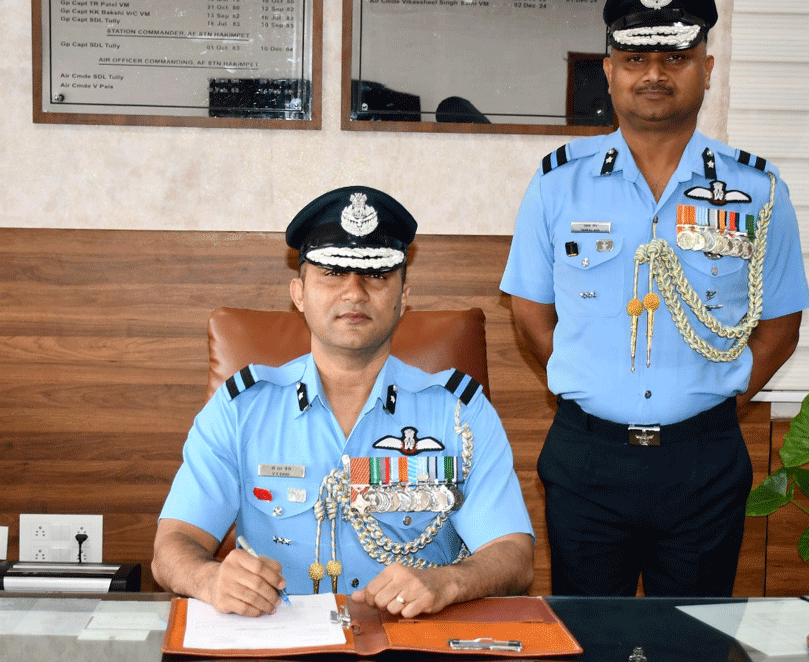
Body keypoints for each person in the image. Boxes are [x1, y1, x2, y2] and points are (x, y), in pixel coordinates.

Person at [501, 0, 809, 597]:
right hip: (588, 461)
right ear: (609, 69)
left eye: (675, 55)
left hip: (704, 461)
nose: (654, 73)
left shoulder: (757, 190)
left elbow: (781, 322)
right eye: (635, 55)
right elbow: (530, 312)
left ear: (706, 67)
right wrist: (591, 384)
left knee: (694, 655)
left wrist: (720, 399)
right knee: (585, 649)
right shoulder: (558, 182)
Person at [154, 186, 534, 618]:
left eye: (376, 275)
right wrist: (210, 579)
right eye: (333, 273)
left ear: (403, 296)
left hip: (410, 656)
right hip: (280, 656)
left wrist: (448, 581)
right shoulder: (241, 409)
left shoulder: (459, 413)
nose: (354, 293)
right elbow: (172, 547)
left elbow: (514, 555)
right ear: (298, 293)